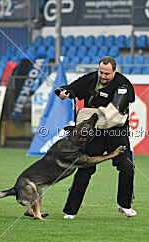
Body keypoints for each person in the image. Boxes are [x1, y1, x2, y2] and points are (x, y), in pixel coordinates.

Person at [55, 56, 137, 219]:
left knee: (127, 166)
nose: (103, 76)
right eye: (101, 72)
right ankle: (70, 211)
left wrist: (99, 101)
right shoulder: (91, 78)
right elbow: (74, 88)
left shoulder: (123, 84)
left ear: (115, 71)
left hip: (116, 132)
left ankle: (124, 205)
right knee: (85, 169)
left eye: (107, 73)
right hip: (94, 134)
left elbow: (116, 108)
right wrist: (66, 92)